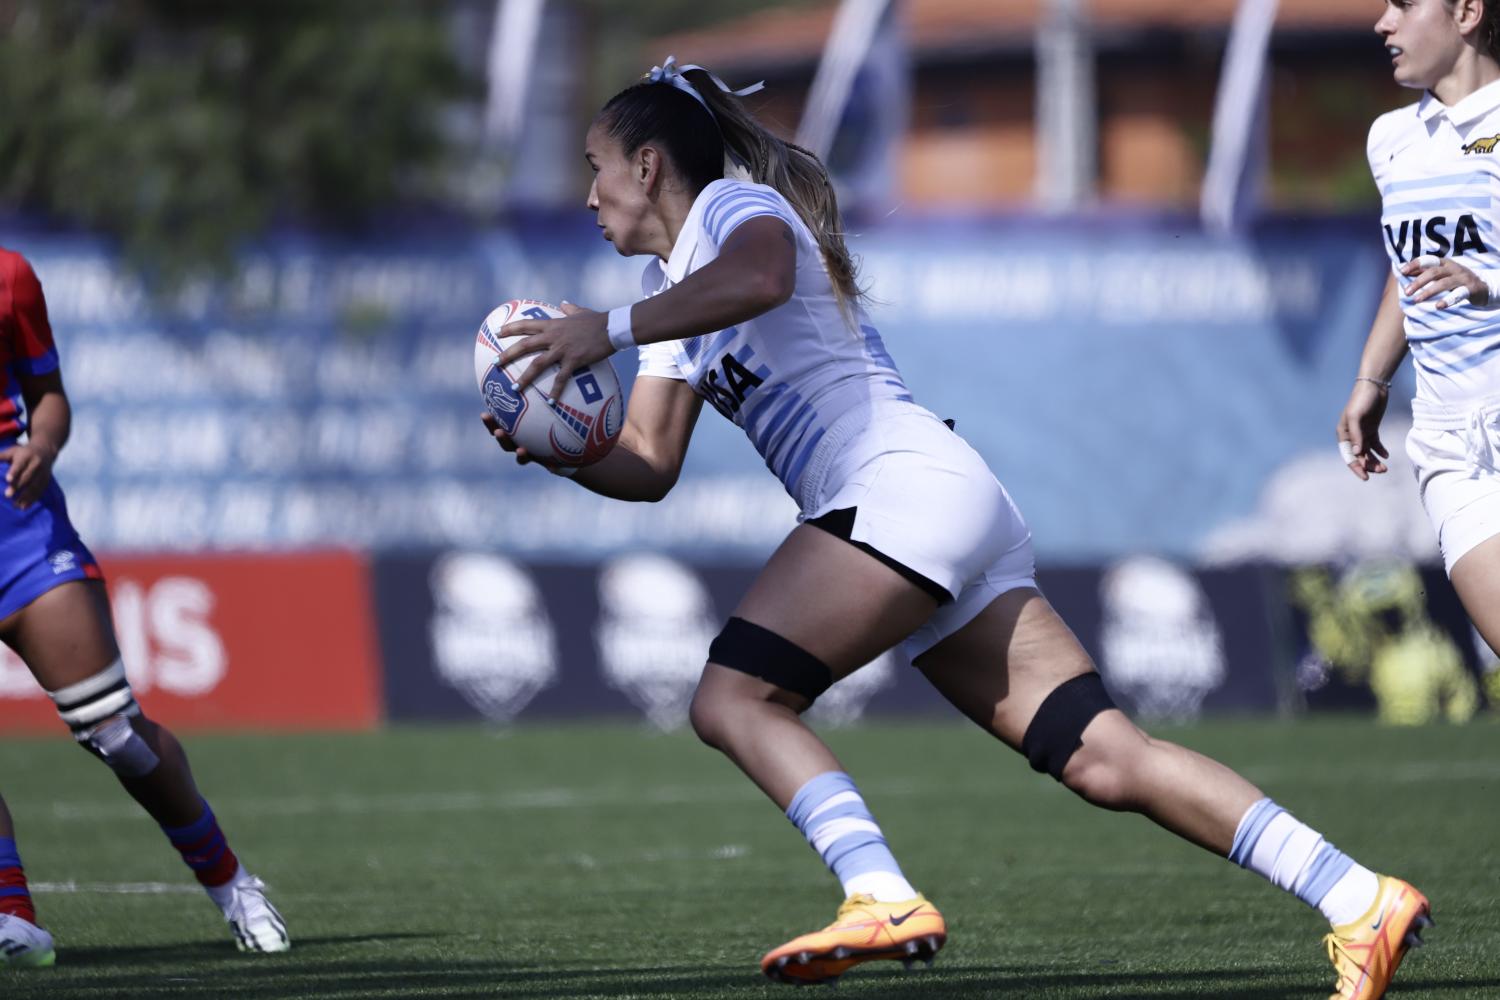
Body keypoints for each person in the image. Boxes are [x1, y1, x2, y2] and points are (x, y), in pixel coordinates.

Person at [483, 58, 1430, 999]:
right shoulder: (670, 292)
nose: (589, 191)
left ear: (648, 166)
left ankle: (879, 893)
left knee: (734, 700)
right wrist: (557, 448)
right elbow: (648, 462)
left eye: (595, 164)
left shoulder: (733, 215)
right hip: (931, 499)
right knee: (1104, 757)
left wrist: (605, 330)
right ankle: (1359, 896)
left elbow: (765, 275)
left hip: (897, 489)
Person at [0, 247, 289, 965]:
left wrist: (44, 441)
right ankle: (14, 917)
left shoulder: (9, 275)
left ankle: (231, 883)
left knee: (114, 732)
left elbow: (51, 394)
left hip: (22, 532)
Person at [1343, 1, 1500, 674]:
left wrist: (1487, 279)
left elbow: (1473, 272)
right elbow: (1408, 273)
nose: (1383, 22)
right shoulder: (1391, 139)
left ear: (1467, 11)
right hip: (1451, 444)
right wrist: (1370, 380)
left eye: (1403, 4)